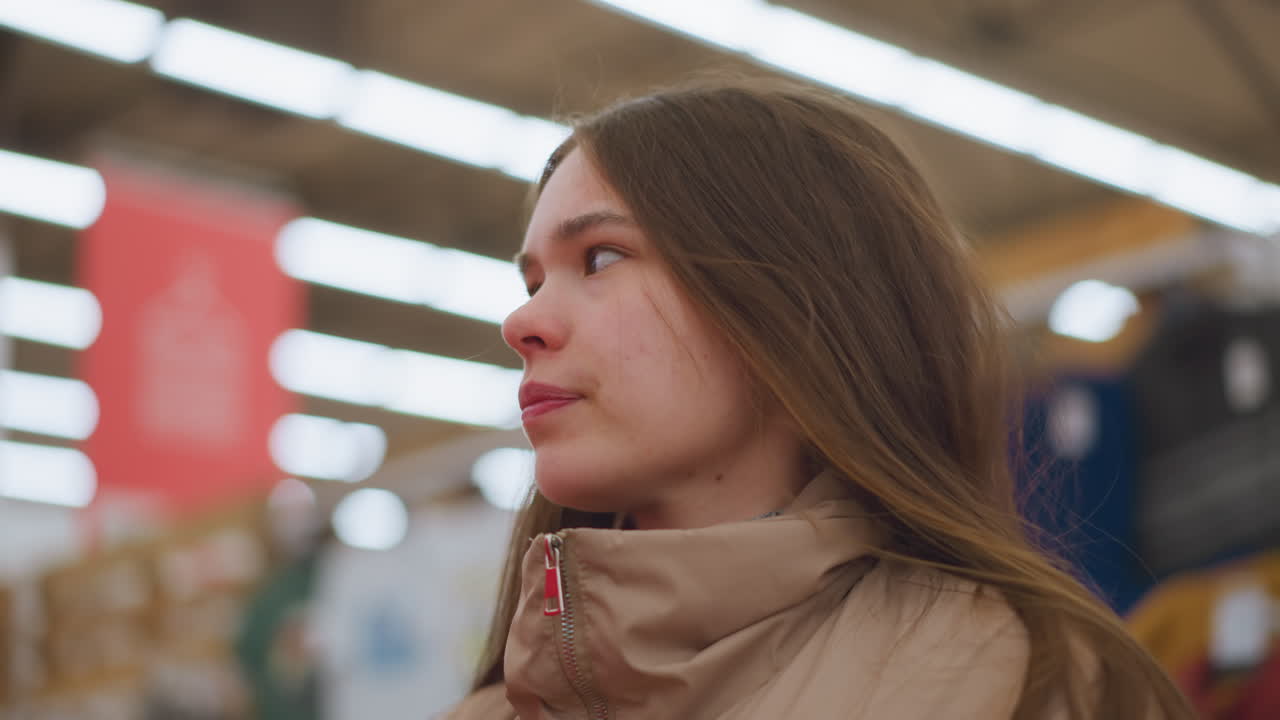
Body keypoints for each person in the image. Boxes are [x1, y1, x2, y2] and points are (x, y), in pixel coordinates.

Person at [442, 78, 1194, 719]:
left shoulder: (1026, 686)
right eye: (532, 281)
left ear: (796, 307)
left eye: (600, 257)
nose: (521, 323)